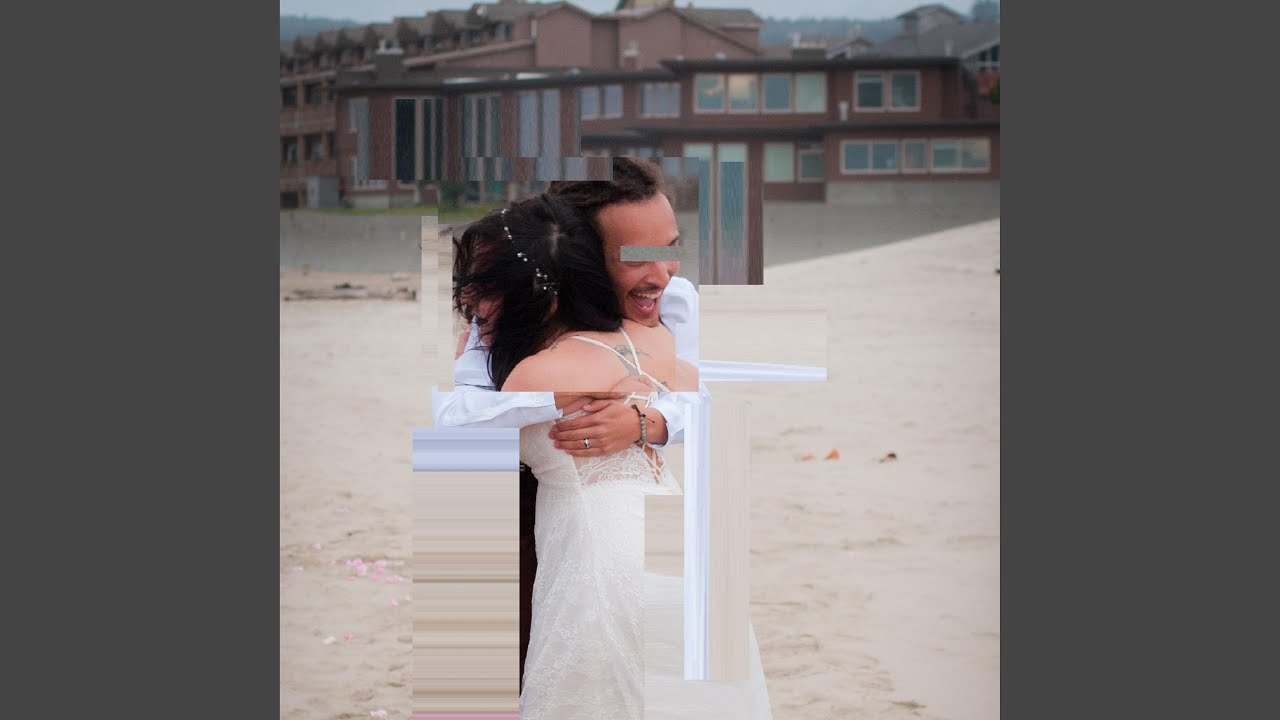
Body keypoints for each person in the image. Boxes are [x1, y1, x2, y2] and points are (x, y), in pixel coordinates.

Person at [434, 158, 701, 686]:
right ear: (585, 259)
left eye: (671, 248)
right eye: (636, 256)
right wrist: (550, 400)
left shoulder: (670, 303)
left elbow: (699, 393)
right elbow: (463, 414)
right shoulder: (504, 327)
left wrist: (647, 421)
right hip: (537, 508)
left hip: (608, 532)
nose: (663, 273)